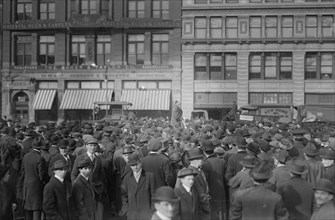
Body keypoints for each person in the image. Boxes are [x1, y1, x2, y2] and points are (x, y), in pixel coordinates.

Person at [71, 137, 106, 219]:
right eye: (90, 145)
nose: (93, 147)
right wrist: (76, 187)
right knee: (86, 213)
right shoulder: (80, 158)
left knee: (98, 214)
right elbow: (74, 174)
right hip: (84, 190)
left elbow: (101, 175)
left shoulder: (98, 159)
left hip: (96, 190)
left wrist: (101, 187)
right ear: (86, 146)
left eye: (94, 145)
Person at [121, 153, 155, 220]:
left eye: (136, 164)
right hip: (132, 213)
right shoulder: (127, 178)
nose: (135, 167)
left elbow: (153, 195)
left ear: (140, 163)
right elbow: (123, 195)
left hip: (146, 213)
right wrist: (127, 209)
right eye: (132, 166)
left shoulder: (149, 176)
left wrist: (152, 210)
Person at [21, 137, 47, 220]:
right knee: (36, 212)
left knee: (28, 212)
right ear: (41, 148)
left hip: (27, 187)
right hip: (36, 189)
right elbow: (42, 176)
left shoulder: (26, 156)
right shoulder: (40, 158)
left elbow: (23, 171)